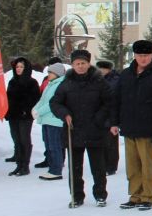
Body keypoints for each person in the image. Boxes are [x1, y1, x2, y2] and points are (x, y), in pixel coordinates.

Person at [110, 40, 152, 211]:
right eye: (140, 55)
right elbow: (116, 100)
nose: (143, 58)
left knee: (147, 164)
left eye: (146, 55)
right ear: (135, 56)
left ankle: (147, 196)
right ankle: (135, 195)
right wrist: (114, 122)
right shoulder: (126, 74)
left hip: (149, 127)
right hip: (129, 126)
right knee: (132, 165)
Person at [50, 50, 113, 207]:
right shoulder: (66, 83)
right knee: (75, 168)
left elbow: (110, 101)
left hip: (95, 130)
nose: (80, 66)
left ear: (88, 63)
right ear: (72, 65)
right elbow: (55, 103)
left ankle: (100, 195)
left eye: (83, 63)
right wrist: (64, 114)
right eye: (77, 63)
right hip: (74, 130)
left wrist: (100, 118)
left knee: (98, 167)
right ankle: (77, 196)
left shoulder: (99, 81)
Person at [6, 56, 40, 176]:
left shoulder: (32, 82)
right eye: (17, 67)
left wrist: (26, 109)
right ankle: (19, 164)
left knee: (24, 139)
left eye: (21, 67)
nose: (19, 69)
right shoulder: (12, 81)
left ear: (26, 68)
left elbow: (35, 99)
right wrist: (7, 111)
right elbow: (8, 98)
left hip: (25, 116)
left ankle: (25, 166)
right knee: (16, 140)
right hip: (13, 115)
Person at [33, 62, 66, 181]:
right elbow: (42, 99)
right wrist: (35, 108)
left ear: (56, 73)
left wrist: (39, 111)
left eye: (50, 72)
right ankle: (52, 167)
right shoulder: (50, 84)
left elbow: (51, 103)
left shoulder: (60, 85)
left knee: (54, 145)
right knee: (48, 145)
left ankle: (56, 170)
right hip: (47, 119)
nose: (48, 75)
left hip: (54, 120)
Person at [96, 60, 121, 175]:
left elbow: (113, 99)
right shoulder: (98, 79)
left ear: (108, 69)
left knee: (110, 143)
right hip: (101, 116)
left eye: (102, 68)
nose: (100, 71)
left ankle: (111, 166)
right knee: (102, 143)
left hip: (111, 115)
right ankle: (104, 164)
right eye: (99, 68)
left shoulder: (115, 80)